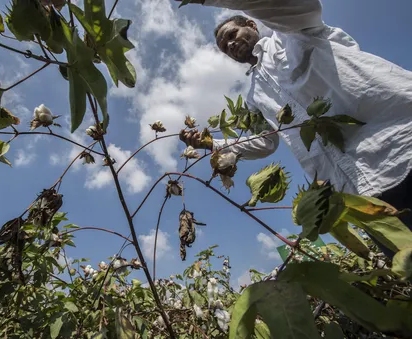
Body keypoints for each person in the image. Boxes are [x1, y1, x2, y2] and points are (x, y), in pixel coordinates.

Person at [176, 0, 412, 257]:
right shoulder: (254, 96)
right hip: (359, 194)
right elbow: (266, 142)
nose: (230, 45)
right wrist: (211, 144)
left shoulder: (293, 33)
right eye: (224, 47)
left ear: (252, 24)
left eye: (232, 35)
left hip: (398, 145)